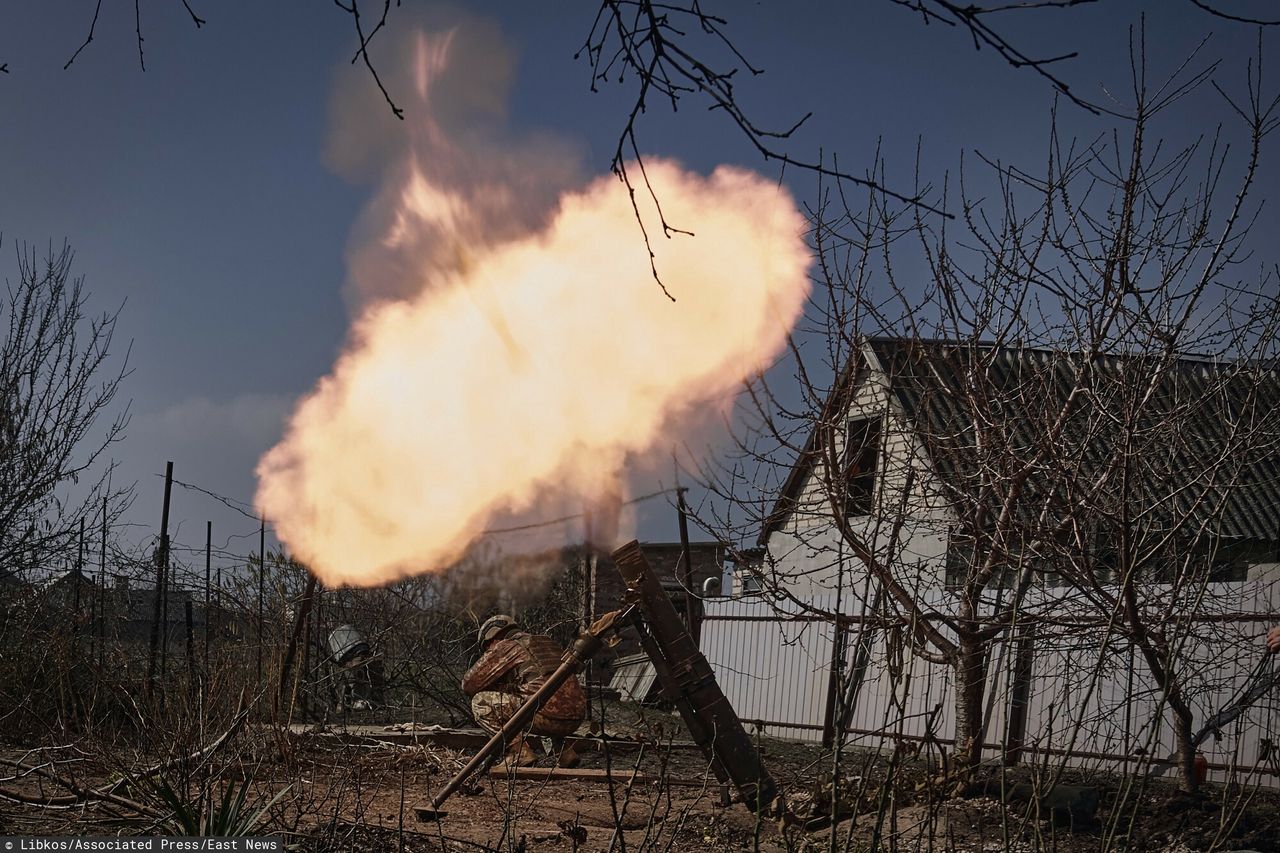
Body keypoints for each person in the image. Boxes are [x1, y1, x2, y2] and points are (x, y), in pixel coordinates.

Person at [462, 614, 586, 769]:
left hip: (547, 716)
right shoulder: (546, 642)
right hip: (577, 717)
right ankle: (565, 754)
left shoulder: (506, 645)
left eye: (487, 648)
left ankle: (518, 753)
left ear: (492, 637)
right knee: (541, 695)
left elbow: (469, 684)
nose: (489, 650)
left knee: (480, 701)